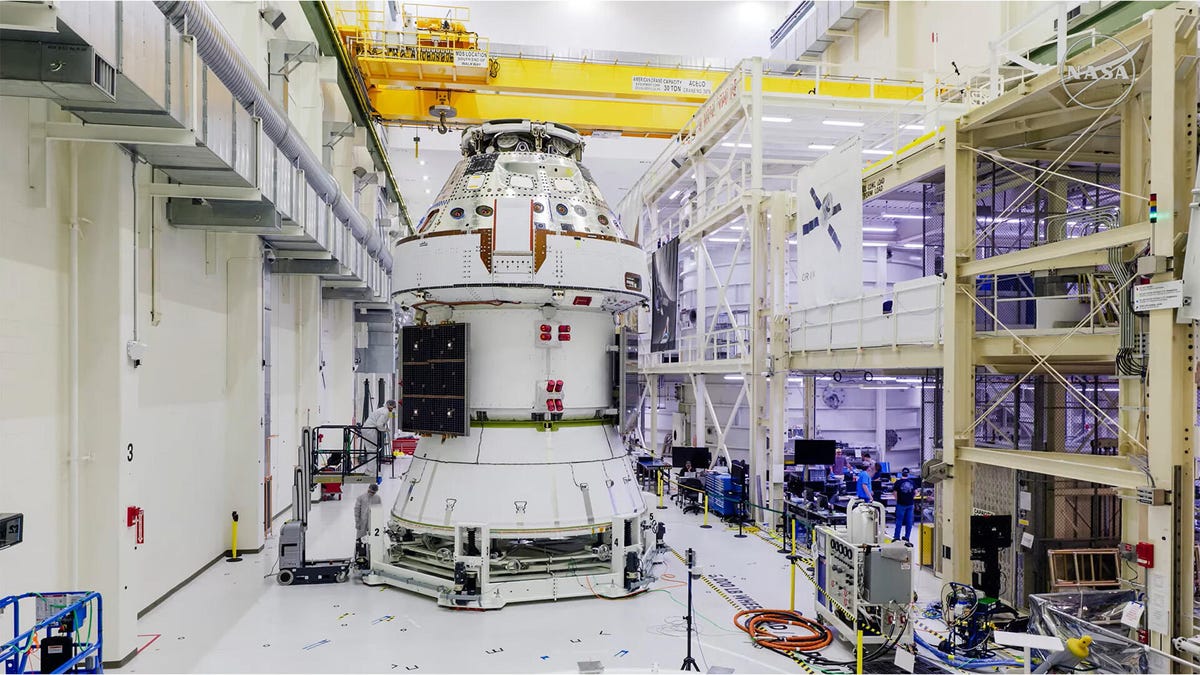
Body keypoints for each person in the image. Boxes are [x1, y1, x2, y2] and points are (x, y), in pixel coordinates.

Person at [892, 467, 917, 542]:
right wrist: (911, 497)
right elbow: (916, 492)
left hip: (901, 504)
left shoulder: (897, 482)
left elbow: (895, 493)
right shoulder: (912, 482)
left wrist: (897, 500)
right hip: (910, 504)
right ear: (908, 474)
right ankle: (907, 537)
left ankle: (896, 537)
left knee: (899, 521)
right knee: (909, 521)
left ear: (901, 473)